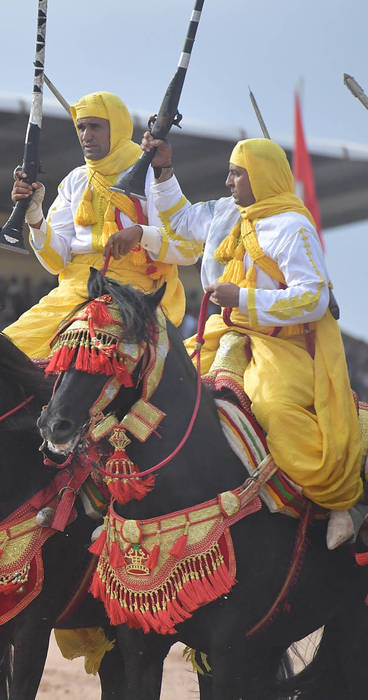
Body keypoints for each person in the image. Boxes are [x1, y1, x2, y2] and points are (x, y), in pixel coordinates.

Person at [142, 134, 365, 548]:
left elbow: (314, 298)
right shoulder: (227, 213)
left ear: (260, 176)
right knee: (161, 384)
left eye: (237, 173)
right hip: (224, 330)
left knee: (274, 408)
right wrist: (163, 169)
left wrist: (244, 298)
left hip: (282, 344)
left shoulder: (293, 226)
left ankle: (339, 499)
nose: (228, 181)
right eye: (229, 172)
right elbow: (180, 220)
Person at [3, 91, 200, 359]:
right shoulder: (75, 179)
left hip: (132, 295)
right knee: (5, 351)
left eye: (95, 126)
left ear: (117, 128)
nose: (86, 135)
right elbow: (56, 262)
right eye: (81, 127)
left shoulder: (150, 173)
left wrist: (141, 234)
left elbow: (187, 248)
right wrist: (35, 216)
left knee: (92, 363)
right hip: (74, 290)